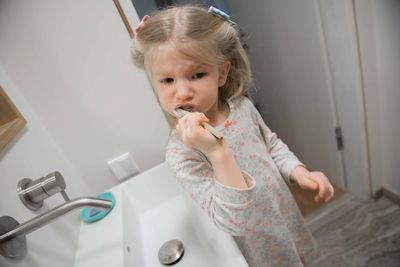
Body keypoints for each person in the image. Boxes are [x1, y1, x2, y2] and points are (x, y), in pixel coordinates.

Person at [131, 5, 335, 267]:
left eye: (197, 75)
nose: (182, 92)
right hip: (252, 247)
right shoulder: (181, 153)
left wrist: (299, 172)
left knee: (297, 259)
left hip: (280, 214)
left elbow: (270, 145)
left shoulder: (242, 107)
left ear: (222, 73)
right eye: (167, 80)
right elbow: (232, 219)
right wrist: (215, 151)